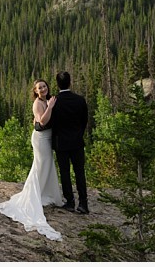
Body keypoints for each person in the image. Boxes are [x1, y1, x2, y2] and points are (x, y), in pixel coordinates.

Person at [0, 79, 65, 240]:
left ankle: (45, 193)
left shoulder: (47, 99)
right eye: (39, 88)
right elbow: (41, 121)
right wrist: (50, 106)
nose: (43, 89)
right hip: (41, 139)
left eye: (44, 86)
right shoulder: (38, 103)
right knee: (41, 165)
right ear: (35, 91)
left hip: (48, 137)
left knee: (47, 165)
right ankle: (34, 195)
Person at [50, 70, 89, 214]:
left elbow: (52, 123)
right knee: (80, 172)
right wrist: (79, 133)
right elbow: (85, 120)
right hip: (77, 141)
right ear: (70, 82)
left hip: (61, 143)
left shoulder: (54, 102)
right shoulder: (80, 100)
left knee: (65, 172)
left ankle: (70, 201)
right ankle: (83, 203)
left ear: (57, 84)